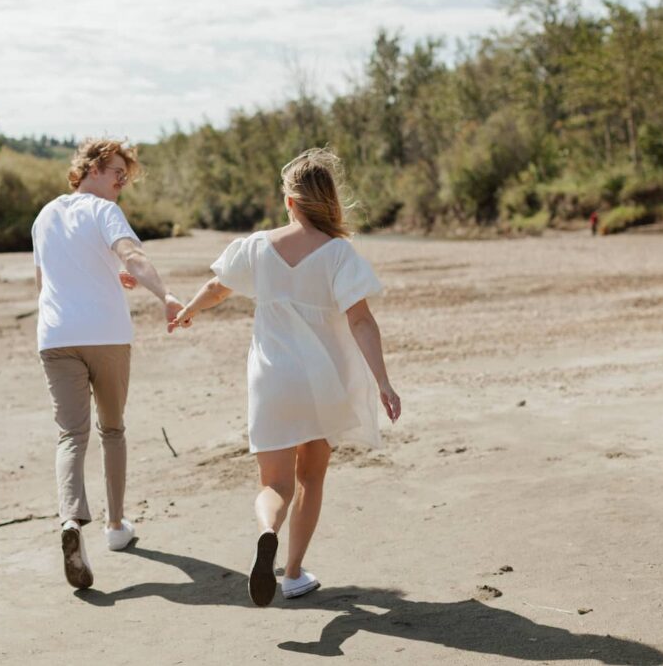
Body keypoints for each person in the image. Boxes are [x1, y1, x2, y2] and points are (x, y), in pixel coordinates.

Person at [168, 148, 401, 606]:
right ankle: (292, 574)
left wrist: (189, 310)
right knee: (310, 479)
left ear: (290, 202)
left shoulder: (256, 246)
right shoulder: (338, 253)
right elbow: (361, 322)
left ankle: (266, 532)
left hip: (271, 379)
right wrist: (383, 381)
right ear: (327, 201)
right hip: (321, 381)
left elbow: (218, 288)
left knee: (273, 484)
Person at [32, 138, 184, 590]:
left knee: (70, 435)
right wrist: (167, 295)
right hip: (107, 336)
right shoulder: (103, 211)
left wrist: (105, 276)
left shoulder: (44, 215)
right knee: (111, 429)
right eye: (118, 171)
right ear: (93, 167)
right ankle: (116, 527)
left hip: (56, 338)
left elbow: (46, 281)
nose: (122, 181)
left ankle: (70, 523)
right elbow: (132, 255)